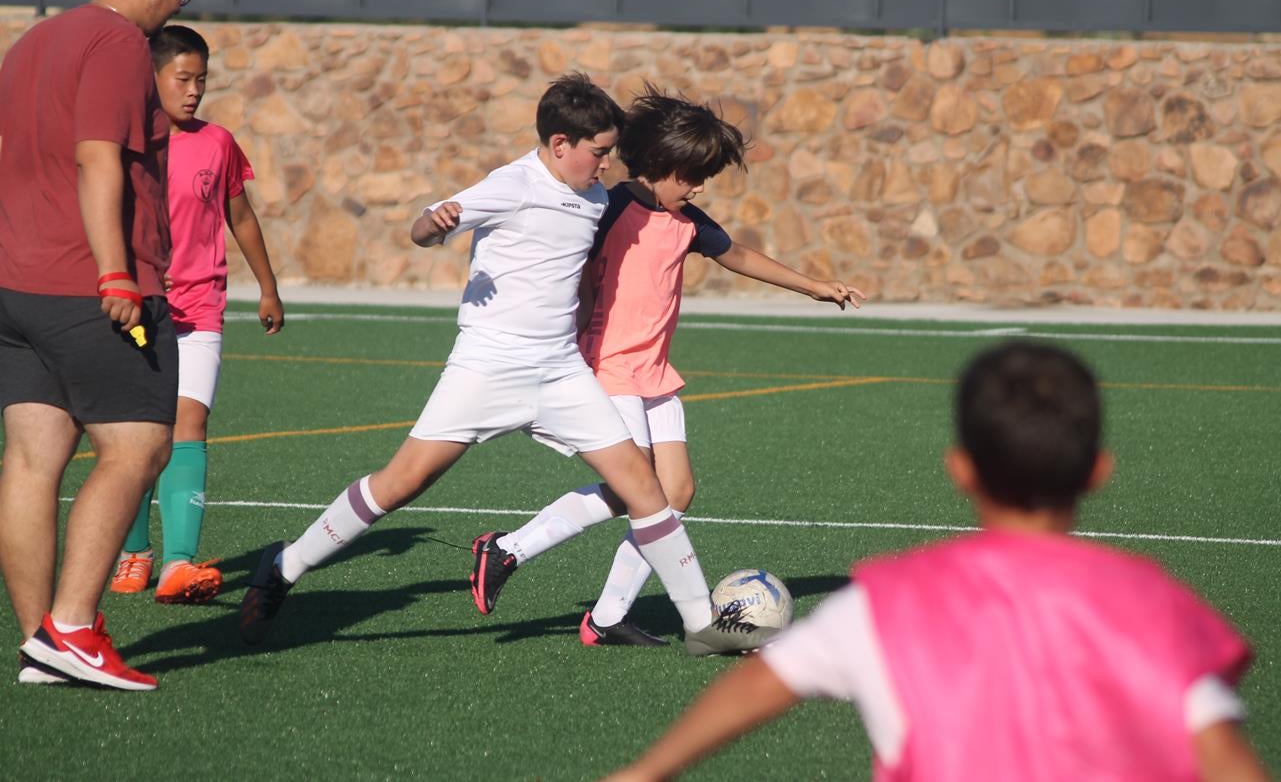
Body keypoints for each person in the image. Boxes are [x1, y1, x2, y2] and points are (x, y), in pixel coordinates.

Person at [238, 72, 769, 657]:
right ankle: (284, 567)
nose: (606, 165)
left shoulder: (595, 197)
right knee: (402, 482)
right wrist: (429, 226)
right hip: (489, 366)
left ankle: (701, 624)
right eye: (598, 152)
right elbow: (428, 223)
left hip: (563, 370)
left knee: (645, 487)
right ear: (560, 144)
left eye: (611, 153)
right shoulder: (512, 184)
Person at [607, 342, 1267, 781]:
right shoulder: (1147, 603)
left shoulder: (887, 602)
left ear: (960, 470)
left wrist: (639, 773)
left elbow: (761, 682)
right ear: (1097, 472)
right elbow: (1217, 749)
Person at [467, 86, 863, 647]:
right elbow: (560, 262)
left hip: (654, 371)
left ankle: (605, 618)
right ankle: (508, 549)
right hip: (608, 366)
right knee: (637, 490)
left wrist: (815, 287)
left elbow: (740, 255)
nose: (698, 187)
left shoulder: (687, 220)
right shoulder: (607, 208)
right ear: (657, 164)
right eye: (691, 176)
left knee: (675, 493)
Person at [0, 0, 205, 690]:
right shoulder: (118, 43)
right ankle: (74, 628)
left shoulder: (33, 41)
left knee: (31, 457)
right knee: (140, 448)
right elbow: (96, 156)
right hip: (89, 287)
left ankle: (41, 643)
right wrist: (117, 275)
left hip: (16, 285)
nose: (181, 3)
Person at [108, 24, 284, 605]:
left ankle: (178, 564)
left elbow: (243, 216)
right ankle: (135, 551)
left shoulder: (218, 143)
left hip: (201, 308)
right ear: (151, 79)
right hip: (139, 309)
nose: (193, 91)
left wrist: (267, 287)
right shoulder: (125, 144)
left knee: (189, 426)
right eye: (182, 79)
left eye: (201, 80)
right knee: (136, 434)